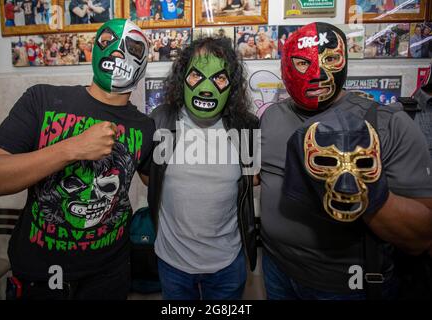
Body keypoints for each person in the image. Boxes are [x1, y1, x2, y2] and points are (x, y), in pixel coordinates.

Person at [0, 19, 154, 300]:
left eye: (132, 47)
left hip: (110, 278)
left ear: (143, 63)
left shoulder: (145, 127)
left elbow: (161, 186)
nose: (118, 52)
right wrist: (70, 149)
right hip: (41, 279)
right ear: (94, 50)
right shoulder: (43, 100)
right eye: (108, 41)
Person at [259, 22, 432, 300]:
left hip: (345, 286)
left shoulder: (387, 123)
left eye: (331, 59)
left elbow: (422, 236)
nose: (317, 74)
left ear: (345, 62)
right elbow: (261, 173)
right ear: (285, 67)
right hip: (277, 270)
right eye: (303, 63)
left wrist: (364, 189)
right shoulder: (271, 117)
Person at [147, 37, 258, 300]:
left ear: (231, 86)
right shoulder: (161, 121)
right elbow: (148, 177)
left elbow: (251, 180)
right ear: (182, 78)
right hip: (173, 262)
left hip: (227, 264)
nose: (207, 89)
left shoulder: (247, 127)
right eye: (197, 76)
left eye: (219, 79)